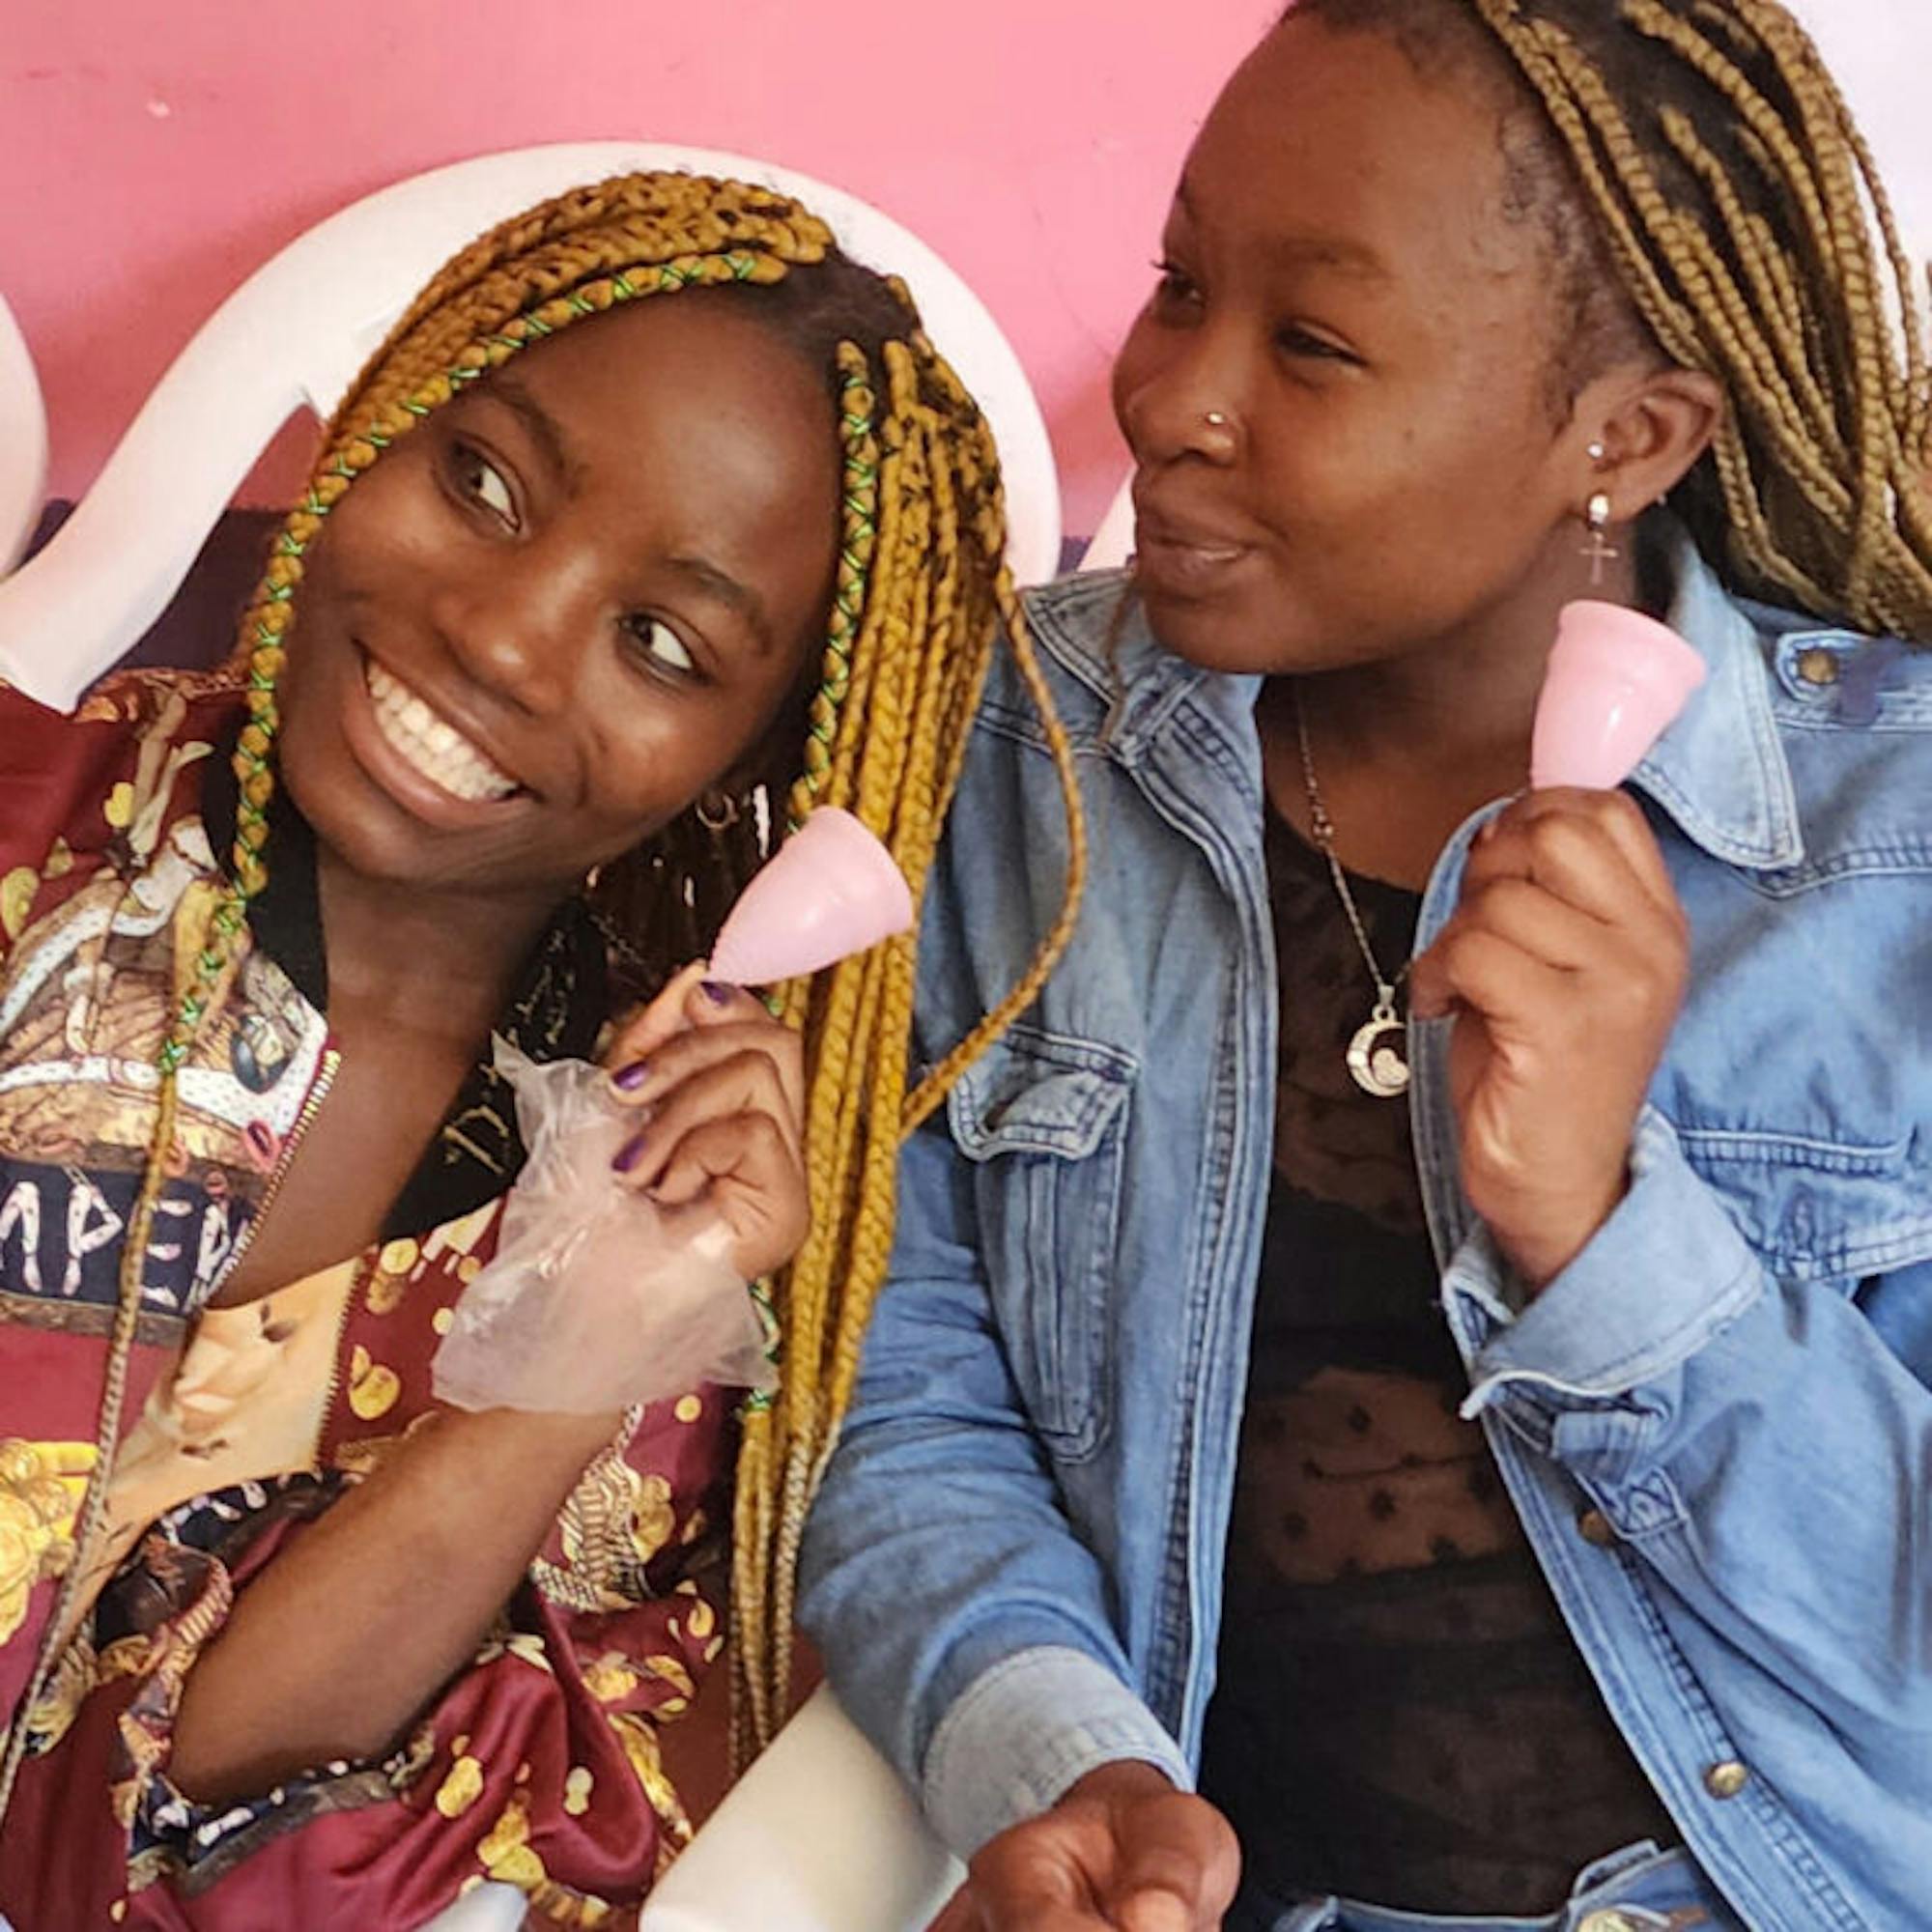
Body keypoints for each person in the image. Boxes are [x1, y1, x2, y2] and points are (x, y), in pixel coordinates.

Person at [799, 2, 1932, 1928]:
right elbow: (898, 1388)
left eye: (1309, 342)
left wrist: (1597, 1230)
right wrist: (1058, 1755)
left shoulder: (1893, 843)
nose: (1168, 395)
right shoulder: (1011, 759)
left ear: (1626, 434)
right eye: (1177, 284)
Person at [0, 170, 1077, 1929]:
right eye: (482, 482)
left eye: (660, 642)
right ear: (380, 414)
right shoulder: (22, 827)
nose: (503, 634)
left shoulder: (687, 1209)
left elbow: (205, 1872)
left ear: (759, 752)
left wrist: (580, 1359)